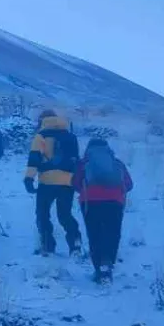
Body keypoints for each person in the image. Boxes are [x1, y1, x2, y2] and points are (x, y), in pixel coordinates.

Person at [72, 138, 133, 283]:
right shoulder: (117, 163)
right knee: (113, 233)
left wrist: (88, 191)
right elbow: (129, 184)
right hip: (114, 201)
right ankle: (108, 263)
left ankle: (99, 269)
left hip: (90, 201)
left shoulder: (84, 163)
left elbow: (75, 183)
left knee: (95, 234)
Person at [24, 109, 82, 256]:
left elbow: (34, 159)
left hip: (47, 182)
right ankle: (75, 244)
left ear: (42, 120)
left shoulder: (41, 136)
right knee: (65, 214)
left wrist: (29, 178)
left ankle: (48, 245)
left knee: (42, 214)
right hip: (67, 182)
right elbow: (76, 160)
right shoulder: (71, 136)